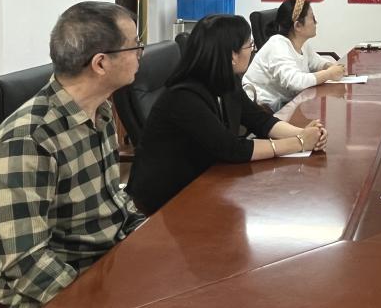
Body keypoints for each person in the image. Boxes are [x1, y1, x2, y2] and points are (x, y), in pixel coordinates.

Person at [0, 1, 147, 308]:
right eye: (135, 46)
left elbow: (113, 202)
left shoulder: (100, 111)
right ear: (100, 63)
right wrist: (102, 305)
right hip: (51, 303)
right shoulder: (28, 139)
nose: (140, 54)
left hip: (106, 270)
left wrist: (150, 235)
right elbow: (26, 263)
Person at [127, 14, 326, 214]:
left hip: (206, 179)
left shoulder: (227, 81)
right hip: (169, 200)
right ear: (232, 55)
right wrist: (299, 143)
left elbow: (259, 119)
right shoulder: (184, 97)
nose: (252, 51)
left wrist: (303, 133)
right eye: (250, 45)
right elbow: (231, 148)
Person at [242, 0, 345, 111]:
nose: (316, 22)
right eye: (313, 18)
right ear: (298, 26)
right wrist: (329, 74)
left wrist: (330, 66)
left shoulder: (301, 44)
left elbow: (315, 61)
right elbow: (295, 82)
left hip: (285, 104)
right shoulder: (277, 45)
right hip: (261, 109)